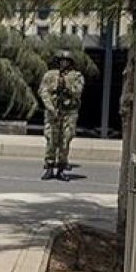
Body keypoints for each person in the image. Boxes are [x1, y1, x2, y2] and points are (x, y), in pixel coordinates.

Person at [39, 49, 85, 180]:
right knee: (51, 139)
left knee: (65, 140)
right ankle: (49, 166)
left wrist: (66, 86)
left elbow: (78, 91)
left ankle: (61, 168)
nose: (64, 63)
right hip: (53, 112)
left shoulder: (76, 76)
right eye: (62, 61)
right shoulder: (49, 75)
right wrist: (51, 108)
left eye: (67, 61)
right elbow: (44, 92)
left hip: (69, 112)